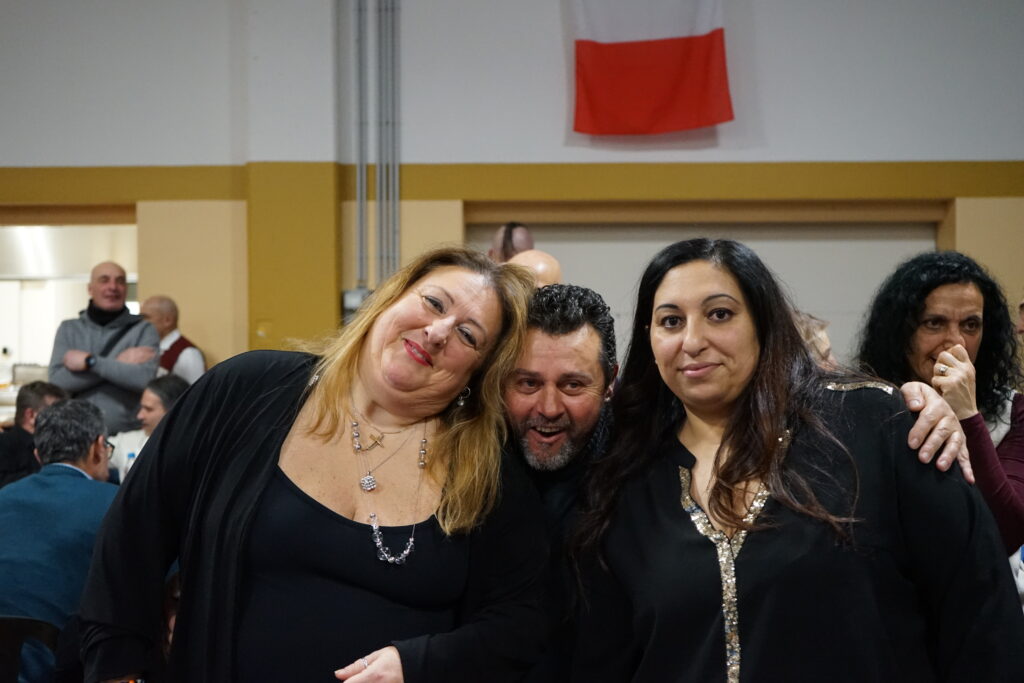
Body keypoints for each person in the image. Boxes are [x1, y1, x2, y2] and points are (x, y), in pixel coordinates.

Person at [79, 247, 547, 682]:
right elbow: (130, 541)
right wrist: (119, 672)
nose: (438, 332)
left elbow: (523, 620)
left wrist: (423, 663)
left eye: (468, 335)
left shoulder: (485, 470)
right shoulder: (246, 389)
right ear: (388, 299)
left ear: (476, 373)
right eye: (434, 303)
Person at [572, 239, 1024, 681]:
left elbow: (979, 605)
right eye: (671, 321)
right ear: (649, 340)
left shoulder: (872, 425)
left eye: (720, 314)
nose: (693, 341)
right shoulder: (627, 478)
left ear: (763, 321)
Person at [507, 284, 968, 681]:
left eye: (573, 385)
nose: (548, 407)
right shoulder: (481, 455)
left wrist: (913, 402)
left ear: (610, 382)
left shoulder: (644, 453)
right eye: (527, 384)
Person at [858, 251, 1024, 554]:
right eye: (934, 323)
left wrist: (966, 414)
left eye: (971, 325)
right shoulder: (864, 406)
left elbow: (1008, 533)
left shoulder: (1014, 412)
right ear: (901, 332)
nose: (956, 341)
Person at [0, 399, 117, 681]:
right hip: (69, 668)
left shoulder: (3, 497)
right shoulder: (115, 504)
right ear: (98, 447)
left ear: (38, 455)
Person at [49, 261, 160, 433]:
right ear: (90, 289)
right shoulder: (68, 329)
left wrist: (90, 362)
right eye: (104, 280)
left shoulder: (144, 329)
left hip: (127, 435)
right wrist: (117, 363)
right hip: (75, 434)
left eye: (120, 281)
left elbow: (143, 379)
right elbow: (58, 381)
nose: (113, 287)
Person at [109, 375, 190, 482]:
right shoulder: (128, 441)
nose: (139, 416)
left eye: (148, 409)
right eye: (141, 408)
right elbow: (93, 452)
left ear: (173, 412)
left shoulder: (193, 452)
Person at [0, 381, 67, 488]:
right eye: (55, 412)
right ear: (31, 415)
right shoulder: (4, 446)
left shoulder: (62, 444)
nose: (63, 418)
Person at [140, 295, 207, 384]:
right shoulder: (150, 347)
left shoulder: (188, 354)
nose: (141, 323)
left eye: (146, 317)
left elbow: (197, 390)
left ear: (167, 321)